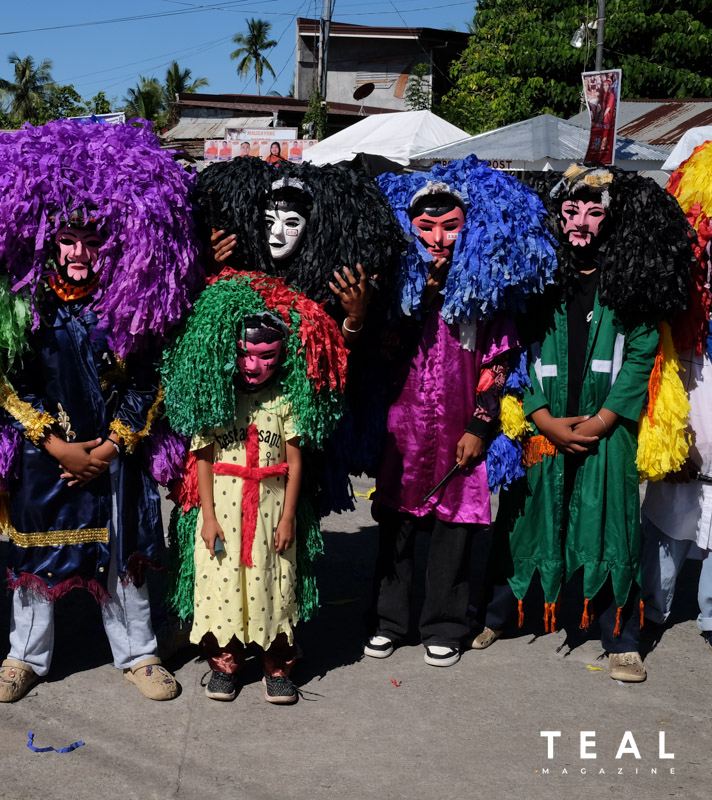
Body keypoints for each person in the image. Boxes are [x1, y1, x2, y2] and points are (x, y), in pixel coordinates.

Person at [0, 119, 201, 703]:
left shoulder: (129, 303)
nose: (79, 253)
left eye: (90, 240)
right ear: (49, 243)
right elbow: (7, 381)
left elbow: (148, 378)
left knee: (122, 559)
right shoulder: (24, 306)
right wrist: (55, 444)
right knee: (36, 563)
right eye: (68, 241)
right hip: (44, 455)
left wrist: (110, 445)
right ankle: (25, 657)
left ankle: (140, 654)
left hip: (116, 457)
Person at [476, 163, 696, 684]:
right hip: (542, 431)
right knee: (524, 520)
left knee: (611, 528)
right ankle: (495, 617)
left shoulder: (630, 285)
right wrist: (544, 420)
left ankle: (621, 639)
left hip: (608, 431)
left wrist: (599, 423)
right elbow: (513, 357)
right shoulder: (535, 281)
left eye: (594, 212)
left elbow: (641, 359)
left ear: (613, 222)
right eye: (571, 211)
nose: (580, 222)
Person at [366, 156, 554, 668]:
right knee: (396, 525)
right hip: (403, 429)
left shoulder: (487, 293)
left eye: (451, 227)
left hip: (459, 428)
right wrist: (416, 302)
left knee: (455, 530)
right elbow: (380, 354)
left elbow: (500, 361)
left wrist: (478, 425)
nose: (438, 239)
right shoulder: (396, 289)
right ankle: (389, 621)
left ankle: (446, 624)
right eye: (425, 226)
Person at [162, 271, 347, 703]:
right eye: (245, 354)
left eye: (267, 355)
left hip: (269, 514)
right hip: (223, 514)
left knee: (272, 583)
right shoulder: (218, 398)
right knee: (224, 584)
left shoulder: (284, 400)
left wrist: (287, 520)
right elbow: (203, 459)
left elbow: (296, 463)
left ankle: (276, 663)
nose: (253, 365)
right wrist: (206, 516)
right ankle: (225, 662)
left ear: (283, 355)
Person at [195, 157, 404, 514]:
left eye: (291, 223)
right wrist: (213, 272)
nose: (276, 234)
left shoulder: (326, 283)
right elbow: (204, 336)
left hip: (295, 423)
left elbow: (338, 355)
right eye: (268, 222)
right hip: (236, 421)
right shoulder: (241, 272)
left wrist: (355, 315)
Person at [638, 142, 712, 646]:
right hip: (686, 398)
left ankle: (710, 618)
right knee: (670, 516)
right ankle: (652, 610)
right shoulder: (677, 298)